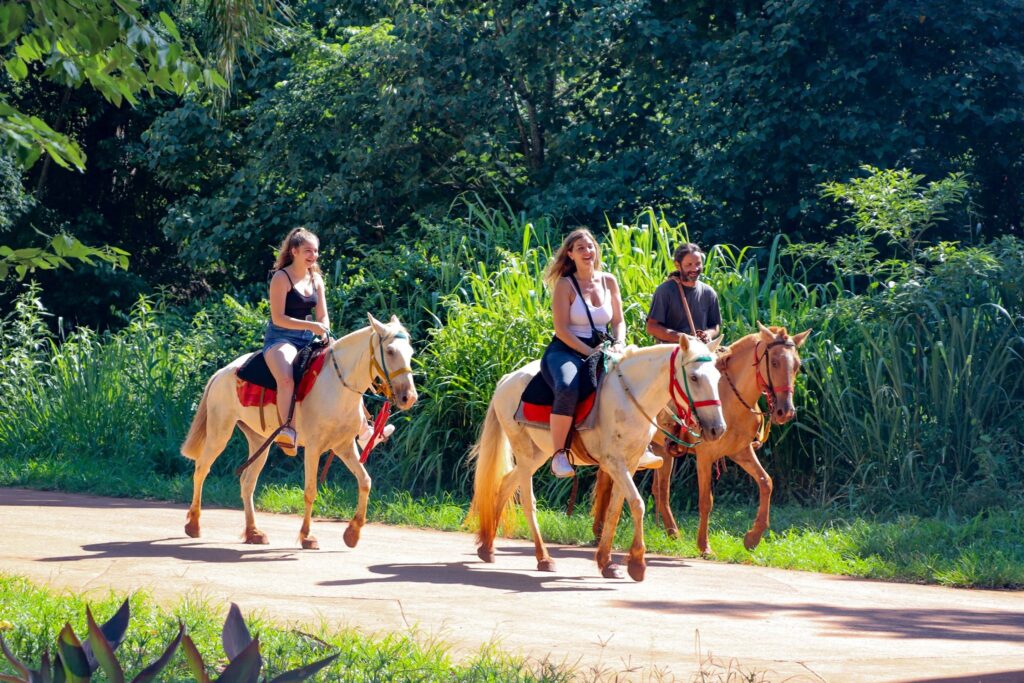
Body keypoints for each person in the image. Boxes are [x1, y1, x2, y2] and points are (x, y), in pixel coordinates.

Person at [540, 228, 626, 478]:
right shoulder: (565, 285)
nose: (588, 252)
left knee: (637, 377)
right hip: (566, 350)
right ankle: (559, 455)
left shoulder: (609, 280)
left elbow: (619, 321)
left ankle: (643, 444)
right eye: (580, 248)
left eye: (590, 246)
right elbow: (562, 329)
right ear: (570, 254)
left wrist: (619, 343)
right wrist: (591, 353)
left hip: (605, 346)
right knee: (567, 386)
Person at [263, 227, 331, 450]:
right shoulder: (281, 278)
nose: (313, 256)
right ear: (294, 251)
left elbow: (322, 315)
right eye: (308, 251)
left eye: (316, 251)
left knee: (343, 366)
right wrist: (312, 326)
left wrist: (325, 332)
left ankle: (365, 429)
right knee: (286, 378)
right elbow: (278, 318)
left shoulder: (317, 279)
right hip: (281, 339)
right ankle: (287, 430)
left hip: (308, 338)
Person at [646, 242, 721, 344]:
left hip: (698, 351)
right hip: (670, 352)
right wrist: (681, 337)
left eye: (698, 264)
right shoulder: (665, 290)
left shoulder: (709, 293)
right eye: (689, 265)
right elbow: (651, 327)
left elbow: (715, 326)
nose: (694, 269)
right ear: (677, 265)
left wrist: (708, 334)